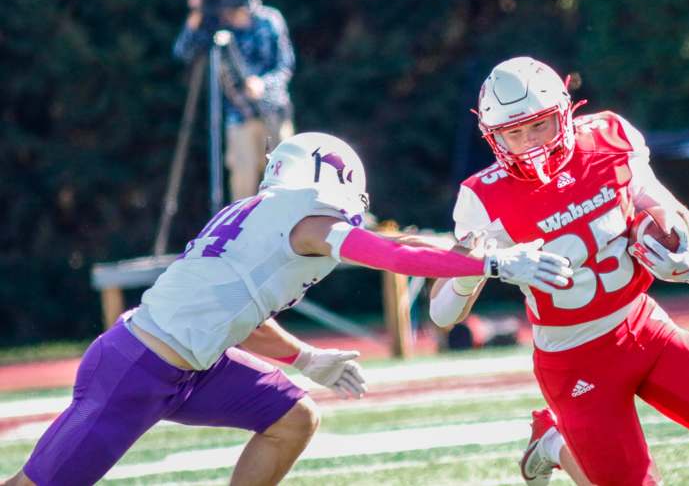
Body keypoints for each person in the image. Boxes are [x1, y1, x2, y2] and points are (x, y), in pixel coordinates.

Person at [4, 131, 573, 486]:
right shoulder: (306, 218)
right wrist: (491, 266)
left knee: (293, 417)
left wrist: (304, 358)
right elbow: (391, 255)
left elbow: (239, 314)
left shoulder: (265, 218)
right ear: (332, 178)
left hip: (186, 364)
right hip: (136, 371)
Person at [429, 57, 689, 485]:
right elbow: (442, 315)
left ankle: (557, 439)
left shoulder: (610, 137)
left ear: (564, 114)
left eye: (540, 125)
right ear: (494, 137)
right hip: (574, 358)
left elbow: (665, 208)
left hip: (645, 327)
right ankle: (554, 441)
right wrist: (479, 265)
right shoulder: (483, 198)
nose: (530, 143)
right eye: (515, 132)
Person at [174, 0, 296, 201]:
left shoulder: (269, 20)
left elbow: (285, 65)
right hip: (239, 119)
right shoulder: (218, 26)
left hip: (274, 113)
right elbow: (183, 51)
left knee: (286, 186)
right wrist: (197, 13)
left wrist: (263, 85)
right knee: (243, 191)